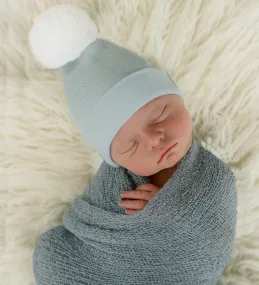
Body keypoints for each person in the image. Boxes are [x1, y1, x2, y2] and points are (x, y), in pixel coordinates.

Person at [29, 4, 237, 285]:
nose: (154, 139)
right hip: (105, 265)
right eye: (130, 146)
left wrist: (170, 208)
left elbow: (213, 240)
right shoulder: (112, 185)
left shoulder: (212, 178)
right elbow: (90, 227)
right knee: (52, 254)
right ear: (114, 160)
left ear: (179, 99)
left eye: (162, 114)